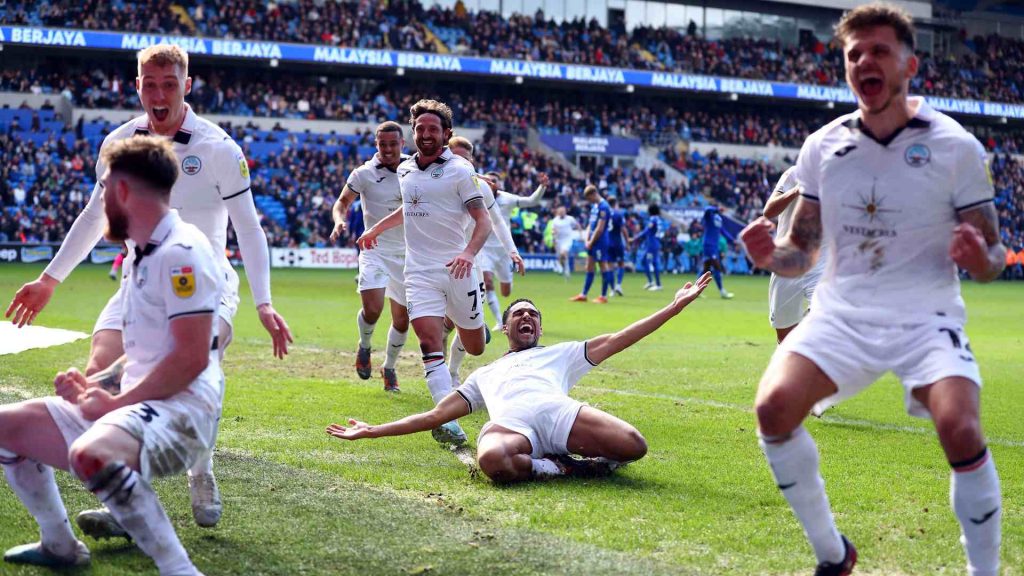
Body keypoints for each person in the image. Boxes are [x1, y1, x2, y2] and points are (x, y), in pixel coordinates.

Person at [740, 4, 1006, 575]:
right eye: (854, 53)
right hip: (843, 314)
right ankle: (833, 554)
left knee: (960, 427)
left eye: (879, 51)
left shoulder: (956, 146)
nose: (865, 61)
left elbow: (994, 257)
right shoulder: (823, 147)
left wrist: (976, 258)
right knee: (773, 407)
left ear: (910, 65)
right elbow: (802, 252)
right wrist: (771, 255)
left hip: (926, 315)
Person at [4, 44, 292, 538]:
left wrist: (263, 301)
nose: (159, 94)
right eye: (150, 84)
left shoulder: (219, 148)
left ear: (187, 84)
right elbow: (96, 216)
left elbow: (249, 229)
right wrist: (49, 278)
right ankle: (125, 502)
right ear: (136, 86)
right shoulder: (119, 143)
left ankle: (201, 469)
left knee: (197, 361)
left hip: (208, 279)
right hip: (140, 276)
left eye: (169, 84)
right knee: (100, 373)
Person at [0, 136, 222, 574]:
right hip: (146, 402)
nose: (99, 200)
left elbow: (191, 358)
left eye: (103, 188)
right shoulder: (143, 250)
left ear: (120, 191)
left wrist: (117, 402)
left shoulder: (182, 252)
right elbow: (147, 354)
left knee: (90, 453)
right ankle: (60, 545)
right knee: (6, 428)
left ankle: (181, 570)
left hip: (185, 412)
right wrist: (96, 385)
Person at [327, 273, 713, 483]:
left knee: (633, 445)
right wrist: (371, 430)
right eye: (519, 315)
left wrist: (673, 308)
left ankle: (563, 459)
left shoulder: (561, 354)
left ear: (540, 329)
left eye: (533, 315)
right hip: (512, 427)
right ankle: (558, 467)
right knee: (492, 459)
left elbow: (619, 338)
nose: (527, 317)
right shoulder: (485, 373)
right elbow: (433, 417)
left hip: (560, 416)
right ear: (506, 327)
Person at [357, 100, 493, 446]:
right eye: (421, 128)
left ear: (446, 134)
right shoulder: (405, 171)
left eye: (434, 129)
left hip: (459, 269)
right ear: (413, 133)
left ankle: (473, 331)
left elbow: (483, 220)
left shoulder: (461, 170)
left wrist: (467, 252)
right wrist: (376, 229)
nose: (427, 134)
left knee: (475, 347)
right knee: (430, 344)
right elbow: (410, 207)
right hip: (418, 272)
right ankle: (448, 422)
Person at [330, 121, 410, 392]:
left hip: (408, 255)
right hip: (374, 248)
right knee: (373, 309)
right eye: (382, 144)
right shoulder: (363, 173)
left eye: (393, 144)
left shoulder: (416, 168)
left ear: (402, 144)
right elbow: (342, 202)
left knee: (402, 320)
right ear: (376, 145)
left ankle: (389, 368)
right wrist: (338, 221)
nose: (387, 149)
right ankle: (364, 347)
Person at [762, 166, 827, 343]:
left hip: (820, 265)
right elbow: (769, 211)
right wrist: (797, 190)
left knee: (823, 319)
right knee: (784, 338)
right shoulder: (795, 174)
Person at [478, 170, 547, 329]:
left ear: (498, 184)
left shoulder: (507, 199)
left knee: (506, 292)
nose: (491, 183)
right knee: (487, 283)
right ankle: (500, 322)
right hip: (484, 249)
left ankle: (507, 280)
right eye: (489, 180)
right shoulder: (477, 197)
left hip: (503, 252)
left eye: (494, 181)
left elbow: (531, 201)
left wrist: (542, 187)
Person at [570, 186, 613, 303]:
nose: (590, 201)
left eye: (590, 198)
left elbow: (600, 228)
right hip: (592, 241)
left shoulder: (604, 207)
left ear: (594, 194)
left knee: (603, 265)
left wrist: (591, 241)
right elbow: (590, 225)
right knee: (589, 266)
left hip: (600, 241)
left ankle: (603, 296)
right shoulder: (595, 207)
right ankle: (583, 294)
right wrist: (586, 238)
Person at [701, 203, 735, 299]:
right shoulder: (709, 215)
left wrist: (732, 240)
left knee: (706, 269)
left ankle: (694, 290)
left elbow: (722, 231)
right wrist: (716, 208)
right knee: (716, 266)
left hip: (714, 246)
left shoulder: (718, 218)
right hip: (708, 245)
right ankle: (722, 291)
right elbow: (706, 209)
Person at [631, 204, 665, 291]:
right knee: (644, 261)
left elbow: (646, 231)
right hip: (654, 242)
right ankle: (651, 282)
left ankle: (658, 285)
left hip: (652, 244)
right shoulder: (659, 219)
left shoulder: (653, 219)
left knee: (653, 263)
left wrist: (635, 238)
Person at [551, 205, 580, 279]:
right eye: (560, 212)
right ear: (558, 212)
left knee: (563, 253)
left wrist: (581, 235)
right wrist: (554, 238)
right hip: (558, 240)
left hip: (567, 240)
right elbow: (553, 231)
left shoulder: (570, 219)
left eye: (563, 211)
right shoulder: (555, 220)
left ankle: (562, 269)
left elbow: (577, 225)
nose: (561, 213)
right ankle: (566, 270)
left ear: (565, 212)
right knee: (562, 257)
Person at [607, 197, 628, 296]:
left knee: (610, 267)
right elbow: (623, 229)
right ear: (615, 203)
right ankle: (618, 285)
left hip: (607, 243)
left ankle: (612, 290)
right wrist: (627, 242)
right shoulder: (618, 214)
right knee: (621, 264)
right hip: (617, 242)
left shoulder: (604, 213)